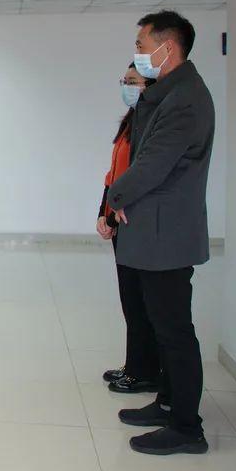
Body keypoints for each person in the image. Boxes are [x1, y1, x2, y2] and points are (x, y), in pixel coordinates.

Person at [108, 11, 215, 456]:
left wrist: (116, 196)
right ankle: (168, 403)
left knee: (174, 331)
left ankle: (187, 428)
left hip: (166, 235)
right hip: (155, 232)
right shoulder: (170, 93)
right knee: (160, 324)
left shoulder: (185, 99)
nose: (138, 53)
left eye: (142, 44)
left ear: (167, 48)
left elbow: (152, 164)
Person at [96, 64, 160, 397]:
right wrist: (103, 212)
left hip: (134, 222)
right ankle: (135, 365)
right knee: (130, 300)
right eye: (125, 81)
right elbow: (113, 174)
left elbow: (140, 176)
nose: (126, 86)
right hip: (119, 218)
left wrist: (114, 214)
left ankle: (143, 371)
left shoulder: (151, 125)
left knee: (138, 302)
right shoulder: (131, 121)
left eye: (132, 81)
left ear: (150, 85)